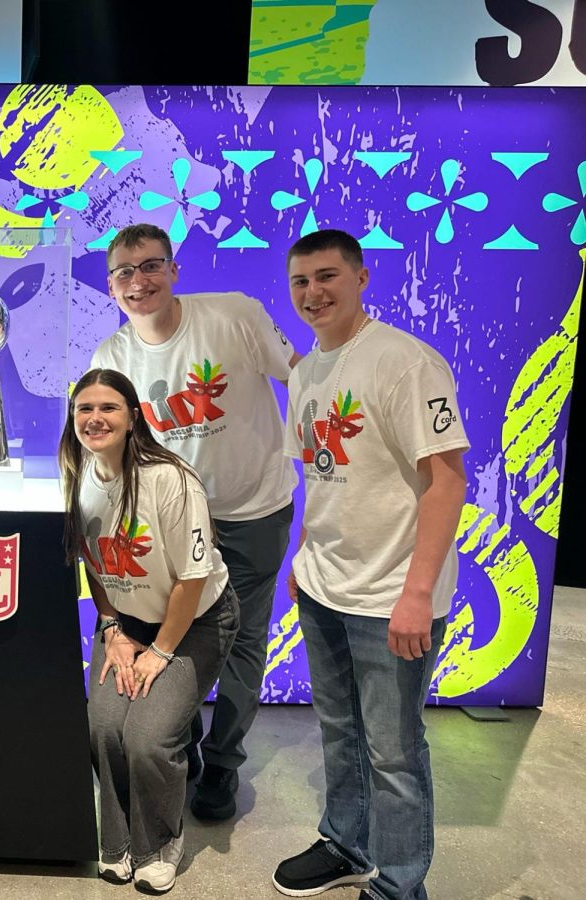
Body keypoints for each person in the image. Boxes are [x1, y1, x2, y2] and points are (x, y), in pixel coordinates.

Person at [273, 229, 468, 900]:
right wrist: (303, 553)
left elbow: (446, 482)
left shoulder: (406, 363)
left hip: (392, 595)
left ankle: (399, 885)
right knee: (340, 732)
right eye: (300, 282)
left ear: (361, 278)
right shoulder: (305, 371)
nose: (312, 293)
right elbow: (320, 477)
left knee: (393, 752)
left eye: (327, 277)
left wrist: (417, 595)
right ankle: (346, 843)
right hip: (326, 586)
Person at [91, 223, 300, 821]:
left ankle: (223, 763)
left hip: (251, 511)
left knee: (243, 644)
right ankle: (177, 746)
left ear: (174, 269)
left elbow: (304, 378)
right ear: (111, 287)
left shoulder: (234, 316)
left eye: (151, 266)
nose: (139, 282)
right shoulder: (112, 355)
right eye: (125, 273)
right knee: (170, 637)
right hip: (169, 528)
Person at [60, 368, 240, 894]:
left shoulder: (170, 479)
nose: (95, 418)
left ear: (134, 417)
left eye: (108, 408)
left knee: (146, 737)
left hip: (195, 620)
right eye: (84, 409)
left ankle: (159, 842)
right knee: (104, 726)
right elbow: (91, 562)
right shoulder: (77, 474)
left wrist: (159, 653)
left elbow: (193, 576)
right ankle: (116, 842)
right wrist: (111, 627)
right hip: (128, 621)